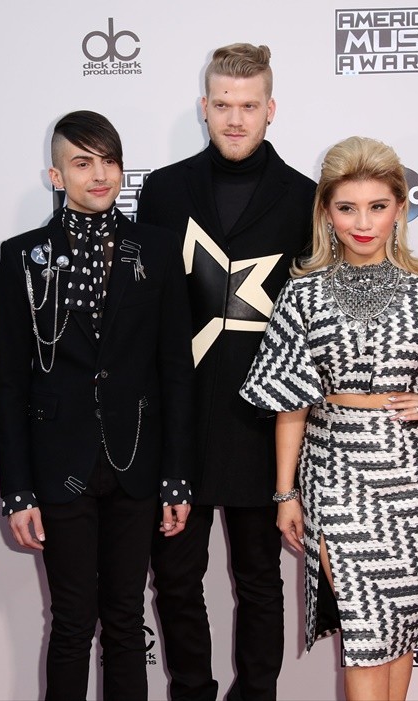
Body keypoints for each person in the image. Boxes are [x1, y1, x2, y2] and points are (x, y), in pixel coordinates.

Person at [241, 136, 418, 701]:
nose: (362, 223)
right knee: (365, 636)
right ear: (326, 211)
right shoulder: (303, 295)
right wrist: (284, 494)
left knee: (397, 634)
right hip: (335, 476)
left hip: (412, 483)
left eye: (377, 206)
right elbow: (289, 403)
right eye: (346, 208)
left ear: (400, 206)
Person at [0, 110, 195, 700]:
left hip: (137, 464)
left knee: (127, 623)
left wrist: (178, 478)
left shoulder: (156, 250)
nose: (99, 174)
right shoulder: (21, 257)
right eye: (82, 162)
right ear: (56, 176)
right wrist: (19, 489)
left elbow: (175, 371)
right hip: (60, 467)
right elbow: (11, 382)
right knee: (73, 623)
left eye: (109, 160)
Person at [136, 43, 315, 700]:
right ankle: (191, 689)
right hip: (174, 426)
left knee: (260, 579)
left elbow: (315, 327)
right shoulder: (164, 189)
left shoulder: (305, 197)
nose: (234, 119)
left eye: (247, 106)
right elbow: (144, 310)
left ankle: (258, 693)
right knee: (176, 579)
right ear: (203, 108)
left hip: (266, 427)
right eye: (222, 105)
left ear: (270, 109)